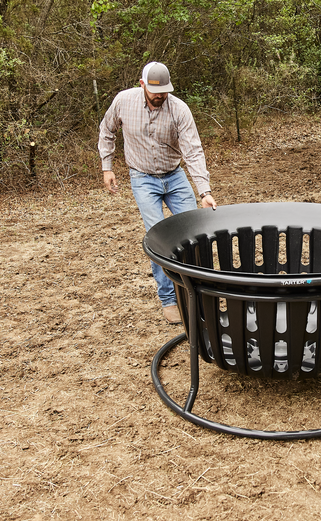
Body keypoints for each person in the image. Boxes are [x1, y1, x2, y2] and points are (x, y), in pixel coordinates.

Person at [98, 61, 218, 325]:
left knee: (193, 234)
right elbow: (107, 131)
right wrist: (107, 168)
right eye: (155, 92)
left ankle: (195, 292)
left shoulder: (179, 110)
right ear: (142, 85)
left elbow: (193, 150)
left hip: (175, 176)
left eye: (164, 91)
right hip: (142, 178)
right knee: (159, 238)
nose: (160, 96)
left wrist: (203, 190)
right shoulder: (123, 102)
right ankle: (168, 299)